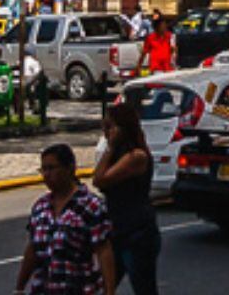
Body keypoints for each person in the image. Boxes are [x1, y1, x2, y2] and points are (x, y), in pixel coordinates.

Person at [17, 143, 118, 295]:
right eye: (43, 169)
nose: (46, 175)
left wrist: (109, 291)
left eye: (51, 168)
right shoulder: (40, 207)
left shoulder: (90, 205)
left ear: (69, 169)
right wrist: (19, 288)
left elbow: (104, 251)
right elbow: (32, 249)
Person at [93, 102, 160, 294]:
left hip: (137, 233)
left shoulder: (136, 156)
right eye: (104, 127)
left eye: (109, 127)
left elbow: (100, 180)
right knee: (103, 285)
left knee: (143, 287)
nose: (106, 132)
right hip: (116, 230)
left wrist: (110, 147)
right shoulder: (117, 154)